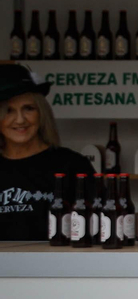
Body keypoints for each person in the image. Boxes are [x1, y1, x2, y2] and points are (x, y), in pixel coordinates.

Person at [0, 66, 93, 241]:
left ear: (42, 114)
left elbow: (98, 228)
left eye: (29, 108)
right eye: (8, 111)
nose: (20, 119)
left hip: (61, 266)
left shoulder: (72, 165)